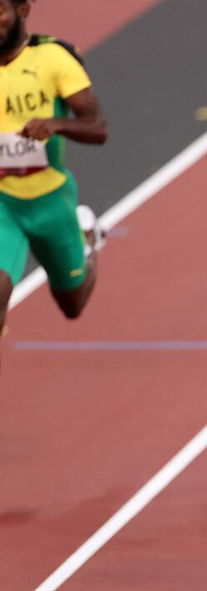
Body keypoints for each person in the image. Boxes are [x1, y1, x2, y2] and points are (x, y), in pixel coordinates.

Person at [0, 0, 107, 367]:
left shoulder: (53, 58)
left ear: (22, 9)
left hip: (49, 199)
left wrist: (57, 124)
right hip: (2, 204)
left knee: (72, 303)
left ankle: (88, 238)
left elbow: (97, 128)